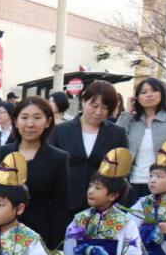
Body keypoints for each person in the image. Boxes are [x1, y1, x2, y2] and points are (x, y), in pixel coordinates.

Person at [0, 96, 71, 249]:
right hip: (2, 233)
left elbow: (60, 208)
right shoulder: (2, 153)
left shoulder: (58, 158)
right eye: (24, 117)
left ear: (48, 122)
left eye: (37, 118)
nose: (30, 124)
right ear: (16, 121)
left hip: (39, 234)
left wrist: (55, 250)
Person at [52, 80, 130, 217]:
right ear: (83, 101)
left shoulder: (117, 133)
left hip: (103, 207)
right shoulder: (60, 131)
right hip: (65, 204)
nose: (99, 112)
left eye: (105, 108)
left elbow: (122, 171)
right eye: (94, 106)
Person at [118, 77, 166, 202]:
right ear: (137, 98)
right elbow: (116, 137)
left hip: (164, 185)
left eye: (154, 90)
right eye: (144, 92)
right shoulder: (132, 120)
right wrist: (128, 112)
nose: (149, 95)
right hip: (133, 183)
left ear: (162, 93)